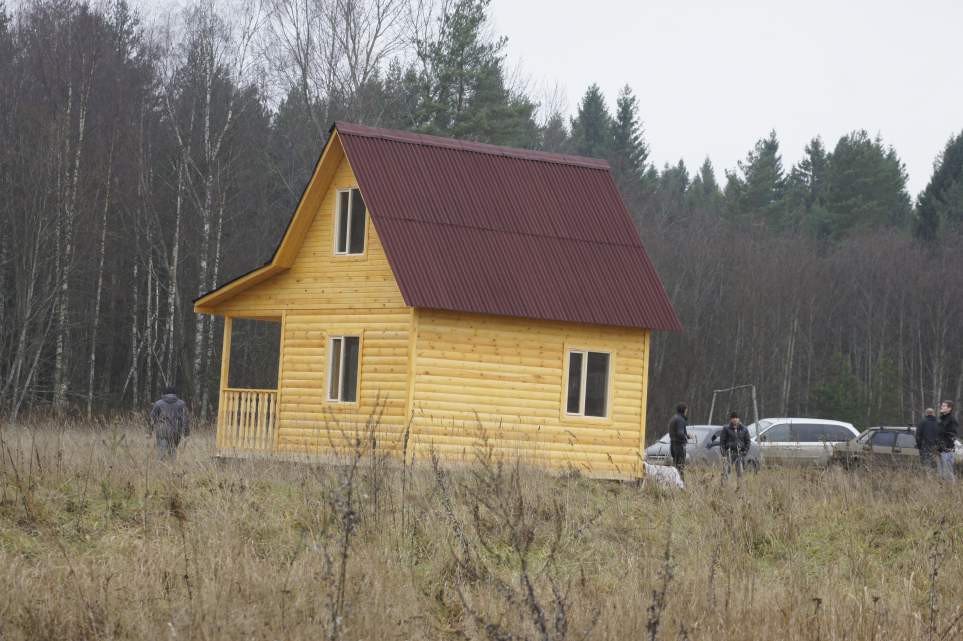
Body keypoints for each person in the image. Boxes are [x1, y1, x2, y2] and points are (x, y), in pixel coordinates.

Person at [149, 386, 190, 460]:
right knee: (173, 451)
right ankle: (171, 468)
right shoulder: (181, 403)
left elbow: (152, 418)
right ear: (175, 394)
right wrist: (186, 433)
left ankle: (160, 467)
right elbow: (185, 420)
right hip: (176, 431)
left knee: (161, 451)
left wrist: (149, 431)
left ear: (164, 393)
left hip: (162, 431)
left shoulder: (158, 403)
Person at [719, 411, 752, 481]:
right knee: (726, 472)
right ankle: (725, 486)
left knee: (740, 473)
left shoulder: (744, 429)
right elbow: (722, 443)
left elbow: (748, 442)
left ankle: (739, 487)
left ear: (739, 419)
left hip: (740, 453)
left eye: (736, 418)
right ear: (730, 419)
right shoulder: (726, 429)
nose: (735, 419)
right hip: (729, 453)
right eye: (733, 418)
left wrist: (745, 452)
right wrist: (724, 454)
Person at [937, 401, 958, 481]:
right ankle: (942, 491)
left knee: (948, 473)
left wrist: (945, 445)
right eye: (942, 405)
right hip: (940, 449)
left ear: (949, 408)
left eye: (944, 406)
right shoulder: (941, 419)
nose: (941, 407)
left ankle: (951, 490)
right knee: (941, 474)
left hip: (947, 450)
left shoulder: (952, 420)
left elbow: (952, 435)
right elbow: (939, 433)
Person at [668, 403, 689, 482]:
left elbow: (675, 432)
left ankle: (674, 482)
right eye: (686, 410)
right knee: (680, 467)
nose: (687, 412)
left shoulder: (673, 418)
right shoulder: (681, 419)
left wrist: (687, 435)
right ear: (683, 410)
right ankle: (681, 484)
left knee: (675, 467)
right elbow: (680, 433)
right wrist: (686, 437)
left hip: (673, 445)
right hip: (679, 446)